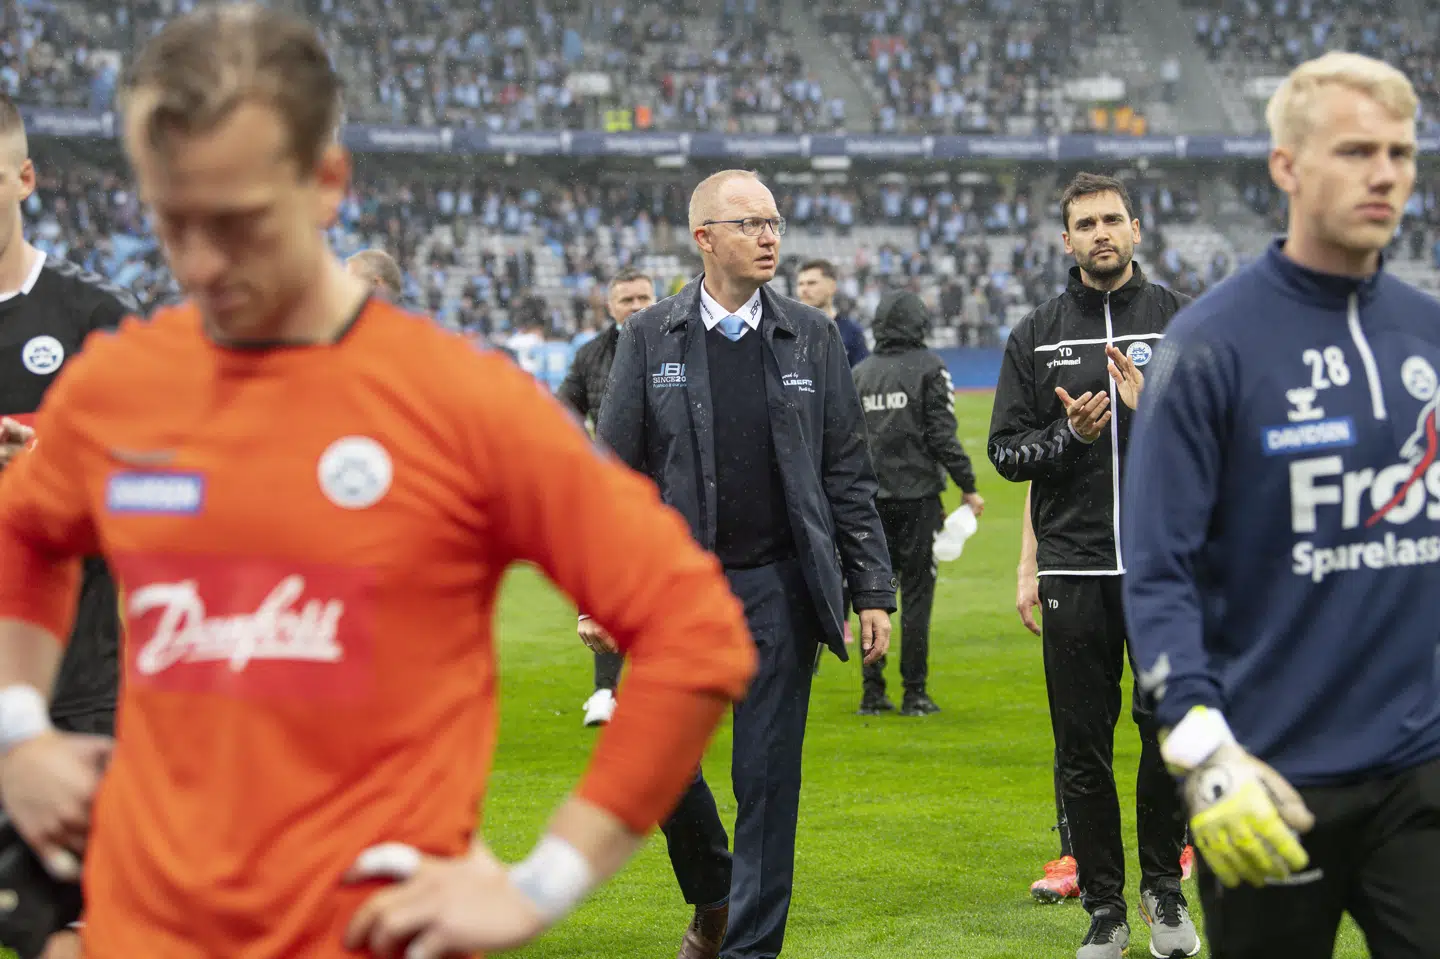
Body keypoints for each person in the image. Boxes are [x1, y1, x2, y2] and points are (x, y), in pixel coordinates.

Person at [0, 8, 758, 958]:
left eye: (238, 221)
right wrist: (19, 730)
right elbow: (26, 532)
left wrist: (542, 880)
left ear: (326, 182)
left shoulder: (460, 400)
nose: (199, 260)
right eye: (171, 218)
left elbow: (694, 628)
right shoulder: (120, 386)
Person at [1123, 51, 1440, 959]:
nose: (1384, 173)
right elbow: (1158, 567)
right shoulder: (1209, 345)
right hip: (1266, 777)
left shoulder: (1428, 334)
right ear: (1287, 166)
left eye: (1401, 152)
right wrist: (1202, 747)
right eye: (1354, 150)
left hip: (1421, 774)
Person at [592, 168, 896, 959]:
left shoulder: (812, 335)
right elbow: (613, 479)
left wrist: (871, 589)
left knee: (767, 784)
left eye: (775, 222)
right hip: (676, 592)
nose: (769, 237)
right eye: (750, 223)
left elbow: (846, 474)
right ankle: (717, 893)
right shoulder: (649, 335)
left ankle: (750, 950)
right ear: (705, 239)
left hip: (778, 589)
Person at [987, 171, 1197, 959]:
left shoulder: (1183, 322)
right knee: (1083, 745)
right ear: (1066, 239)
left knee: (1167, 734)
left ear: (1136, 229)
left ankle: (1164, 892)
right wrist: (1069, 439)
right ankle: (1105, 909)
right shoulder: (1036, 333)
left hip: (1166, 567)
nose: (1101, 232)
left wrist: (1159, 412)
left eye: (1113, 219)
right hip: (1074, 569)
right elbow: (1007, 451)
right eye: (1086, 223)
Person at [0, 94, 138, 959]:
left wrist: (49, 472)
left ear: (21, 178)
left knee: (74, 927)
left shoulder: (93, 320)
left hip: (71, 681)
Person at [851, 289, 983, 717]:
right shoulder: (929, 367)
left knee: (874, 593)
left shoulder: (861, 374)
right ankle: (915, 692)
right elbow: (941, 434)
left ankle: (872, 692)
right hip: (917, 499)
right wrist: (968, 485)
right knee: (917, 597)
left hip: (868, 504)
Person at [557, 266, 657, 728]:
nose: (636, 307)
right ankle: (604, 692)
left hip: (674, 484)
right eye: (627, 300)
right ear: (610, 307)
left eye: (643, 298)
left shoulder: (681, 340)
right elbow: (562, 412)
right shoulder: (592, 355)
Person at [795, 259, 869, 367]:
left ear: (832, 287)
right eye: (800, 284)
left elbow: (861, 376)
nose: (804, 289)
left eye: (811, 283)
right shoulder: (789, 330)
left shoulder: (852, 332)